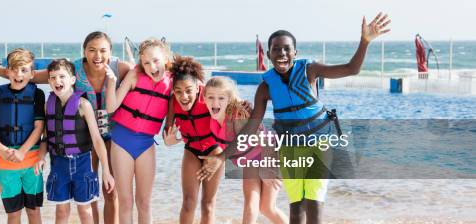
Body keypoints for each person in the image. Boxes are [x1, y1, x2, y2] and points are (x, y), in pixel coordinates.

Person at [233, 13, 391, 224]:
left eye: (287, 48)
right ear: (269, 55)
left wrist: (365, 41)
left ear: (295, 52)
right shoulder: (265, 87)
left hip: (320, 145)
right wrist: (226, 150)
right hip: (289, 149)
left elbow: (352, 69)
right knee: (296, 209)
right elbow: (253, 124)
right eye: (276, 49)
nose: (282, 53)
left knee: (314, 204)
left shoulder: (310, 71)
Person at [0, 31, 131, 223]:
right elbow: (29, 76)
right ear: (84, 52)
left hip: (109, 135)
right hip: (71, 152)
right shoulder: (69, 75)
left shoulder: (117, 70)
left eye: (102, 50)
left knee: (107, 193)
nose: (97, 55)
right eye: (92, 50)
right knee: (77, 207)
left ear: (110, 52)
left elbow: (142, 71)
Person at [36, 58, 115, 224]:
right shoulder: (47, 105)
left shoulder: (83, 105)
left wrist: (106, 171)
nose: (57, 81)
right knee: (61, 212)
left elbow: (97, 140)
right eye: (53, 77)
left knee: (85, 211)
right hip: (58, 164)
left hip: (82, 164)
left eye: (62, 76)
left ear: (72, 80)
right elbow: (45, 138)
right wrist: (41, 157)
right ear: (49, 81)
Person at [105, 38, 173, 224]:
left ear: (166, 59)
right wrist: (111, 82)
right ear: (141, 65)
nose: (152, 67)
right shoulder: (134, 76)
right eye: (147, 63)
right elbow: (111, 107)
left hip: (146, 144)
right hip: (121, 141)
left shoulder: (172, 83)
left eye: (156, 61)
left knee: (144, 203)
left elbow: (170, 134)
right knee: (125, 202)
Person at [203, 76, 288, 224]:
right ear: (204, 98)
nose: (215, 102)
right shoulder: (212, 120)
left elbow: (265, 140)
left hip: (271, 156)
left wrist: (268, 169)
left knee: (267, 207)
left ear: (229, 100)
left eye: (221, 98)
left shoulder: (237, 118)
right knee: (251, 204)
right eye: (210, 97)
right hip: (250, 162)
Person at [0, 48, 45, 224]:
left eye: (24, 70)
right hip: (7, 162)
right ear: (7, 71)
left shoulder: (37, 94)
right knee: (13, 214)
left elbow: (39, 128)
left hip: (32, 161)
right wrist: (1, 150)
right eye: (14, 69)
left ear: (32, 73)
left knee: (34, 212)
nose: (19, 74)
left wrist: (22, 152)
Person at [162, 56, 224, 223]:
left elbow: (234, 125)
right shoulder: (172, 101)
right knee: (189, 203)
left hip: (214, 151)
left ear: (198, 87)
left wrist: (220, 156)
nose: (184, 96)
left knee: (207, 204)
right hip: (191, 150)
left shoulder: (211, 96)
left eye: (189, 90)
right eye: (179, 91)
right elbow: (167, 131)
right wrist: (168, 139)